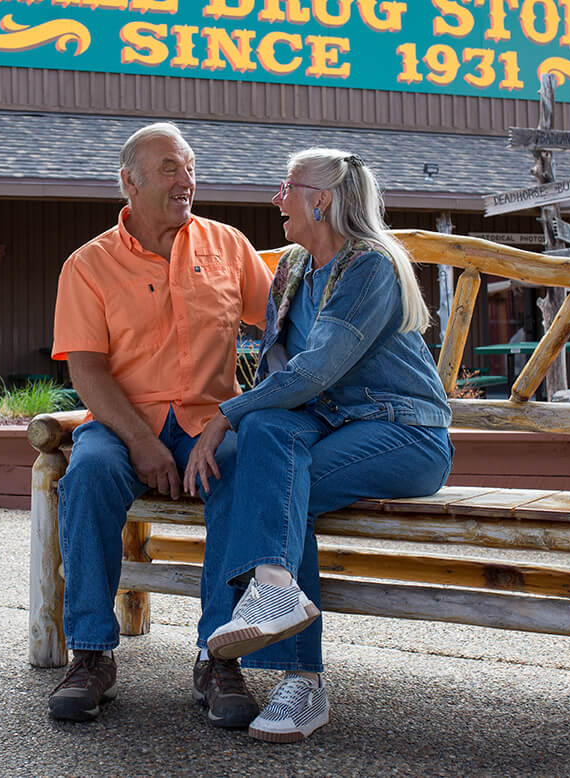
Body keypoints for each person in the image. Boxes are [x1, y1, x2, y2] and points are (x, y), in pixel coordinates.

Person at [185, 148, 453, 744]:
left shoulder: (370, 267)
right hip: (331, 426)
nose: (276, 198)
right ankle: (275, 592)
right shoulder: (291, 270)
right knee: (265, 441)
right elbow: (275, 378)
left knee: (276, 480)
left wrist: (223, 415)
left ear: (321, 199)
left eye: (287, 186)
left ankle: (298, 676)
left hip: (404, 433)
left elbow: (313, 372)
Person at [46, 122, 273, 727]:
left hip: (210, 422)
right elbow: (88, 372)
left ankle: (217, 655)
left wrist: (256, 410)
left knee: (247, 466)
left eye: (190, 166)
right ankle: (90, 653)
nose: (186, 179)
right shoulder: (88, 264)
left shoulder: (227, 246)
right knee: (88, 471)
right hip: (123, 424)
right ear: (130, 181)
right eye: (170, 168)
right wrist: (143, 443)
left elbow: (281, 329)